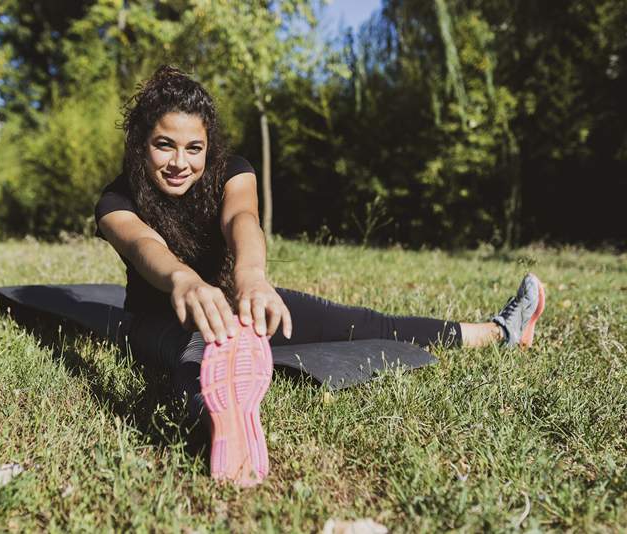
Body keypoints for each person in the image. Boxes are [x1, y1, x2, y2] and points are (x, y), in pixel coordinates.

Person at [94, 65, 546, 487]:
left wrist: (252, 277)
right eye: (164, 144)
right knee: (198, 348)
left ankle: (498, 331)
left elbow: (243, 220)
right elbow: (143, 246)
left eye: (194, 147)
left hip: (240, 304)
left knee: (364, 324)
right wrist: (184, 281)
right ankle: (218, 426)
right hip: (159, 321)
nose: (180, 162)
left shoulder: (233, 171)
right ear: (140, 143)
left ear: (209, 146)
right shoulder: (116, 200)